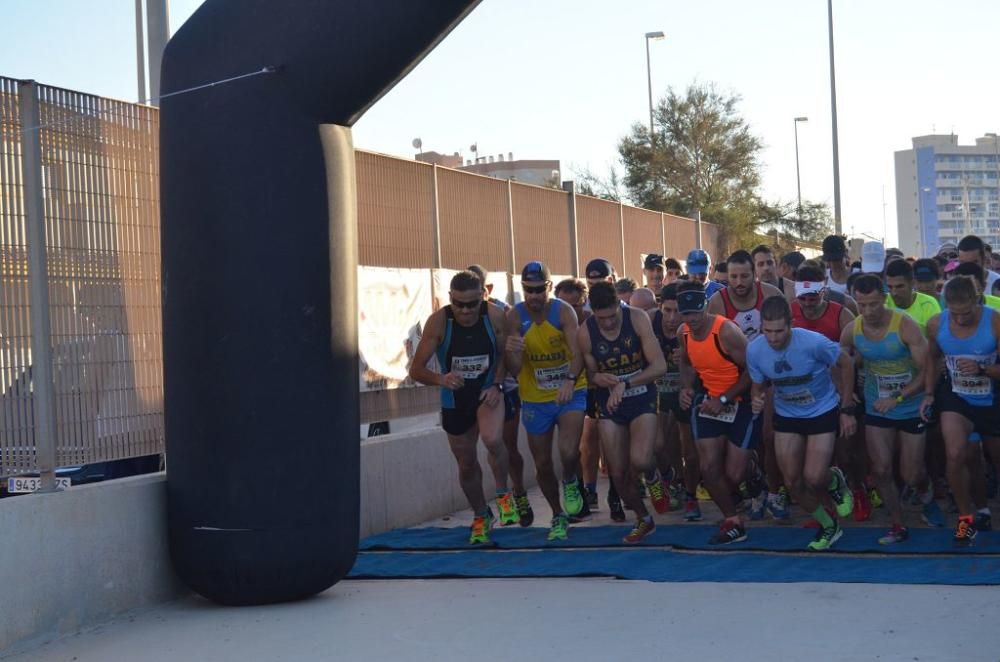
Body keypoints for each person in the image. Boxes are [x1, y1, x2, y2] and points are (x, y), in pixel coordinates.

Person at [409, 270, 514, 545]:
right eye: (459, 304)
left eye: (471, 304)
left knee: (493, 439)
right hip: (455, 397)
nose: (465, 311)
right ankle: (481, 514)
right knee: (466, 463)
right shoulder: (439, 322)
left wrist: (498, 383)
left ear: (483, 297)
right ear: (450, 299)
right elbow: (416, 370)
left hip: (487, 390)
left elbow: (505, 354)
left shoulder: (494, 316)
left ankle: (503, 492)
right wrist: (440, 378)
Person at [747, 296, 856, 550]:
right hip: (787, 415)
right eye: (767, 331)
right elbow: (757, 384)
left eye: (779, 331)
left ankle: (834, 480)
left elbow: (846, 362)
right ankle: (829, 526)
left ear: (791, 324)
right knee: (793, 483)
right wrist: (757, 399)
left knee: (814, 477)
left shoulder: (812, 342)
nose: (773, 338)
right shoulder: (755, 349)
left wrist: (847, 407)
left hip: (821, 409)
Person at [842, 274, 942, 544]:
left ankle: (926, 494)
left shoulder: (904, 326)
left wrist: (898, 397)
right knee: (882, 470)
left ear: (884, 299)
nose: (868, 312)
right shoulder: (853, 329)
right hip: (878, 408)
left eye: (874, 304)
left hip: (909, 406)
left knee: (911, 473)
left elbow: (927, 371)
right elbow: (841, 361)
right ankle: (897, 523)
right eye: (862, 305)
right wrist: (847, 393)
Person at [578, 282, 668, 542]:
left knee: (640, 460)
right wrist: (600, 378)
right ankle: (644, 519)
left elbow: (659, 365)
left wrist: (625, 383)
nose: (607, 323)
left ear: (620, 305)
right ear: (593, 312)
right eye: (601, 318)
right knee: (617, 473)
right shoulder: (586, 332)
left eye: (612, 316)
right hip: (611, 404)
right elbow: (591, 374)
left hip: (641, 396)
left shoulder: (636, 318)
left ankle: (652, 476)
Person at [505, 261, 589, 541]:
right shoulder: (515, 317)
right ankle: (557, 515)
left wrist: (568, 379)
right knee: (541, 463)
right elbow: (514, 369)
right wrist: (513, 351)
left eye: (540, 289)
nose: (534, 295)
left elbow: (577, 353)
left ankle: (570, 480)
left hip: (570, 390)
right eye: (529, 290)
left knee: (567, 452)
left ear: (549, 288)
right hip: (534, 398)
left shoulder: (563, 312)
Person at [677, 280, 761, 544]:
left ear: (706, 308)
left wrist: (725, 398)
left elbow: (753, 370)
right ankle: (733, 520)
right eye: (687, 314)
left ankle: (752, 472)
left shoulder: (725, 331)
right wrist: (686, 388)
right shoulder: (685, 333)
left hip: (741, 402)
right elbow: (686, 361)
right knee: (709, 467)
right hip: (708, 402)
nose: (693, 319)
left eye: (697, 313)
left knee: (734, 474)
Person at [922, 276, 1000, 546]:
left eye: (966, 313)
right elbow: (931, 359)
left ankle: (984, 510)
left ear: (977, 301)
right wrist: (930, 393)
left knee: (984, 462)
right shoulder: (937, 323)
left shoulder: (995, 321)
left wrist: (984, 369)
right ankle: (966, 520)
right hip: (957, 399)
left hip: (991, 399)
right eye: (954, 313)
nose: (961, 319)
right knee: (956, 455)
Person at [468, 264, 533, 526]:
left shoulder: (503, 314)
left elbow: (510, 353)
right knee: (478, 449)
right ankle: (499, 496)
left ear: (487, 290)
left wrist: (498, 381)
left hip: (504, 387)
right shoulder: (454, 315)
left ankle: (517, 493)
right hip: (470, 391)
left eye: (477, 293)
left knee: (506, 445)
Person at [653, 283, 701, 520]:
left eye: (678, 311)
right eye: (667, 310)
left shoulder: (692, 328)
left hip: (685, 391)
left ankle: (691, 495)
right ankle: (669, 478)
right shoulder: (650, 325)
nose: (672, 318)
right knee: (658, 445)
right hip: (659, 391)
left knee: (691, 454)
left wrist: (689, 358)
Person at [555, 278, 599, 518]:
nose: (571, 312)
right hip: (567, 391)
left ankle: (615, 493)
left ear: (585, 303)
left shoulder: (594, 323)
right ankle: (582, 491)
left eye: (577, 306)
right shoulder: (550, 323)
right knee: (575, 447)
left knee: (610, 446)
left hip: (596, 388)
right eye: (565, 306)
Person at [884, 259, 941, 334]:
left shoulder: (929, 304)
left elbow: (936, 338)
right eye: (890, 287)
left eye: (900, 286)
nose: (894, 293)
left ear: (913, 283)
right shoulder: (883, 302)